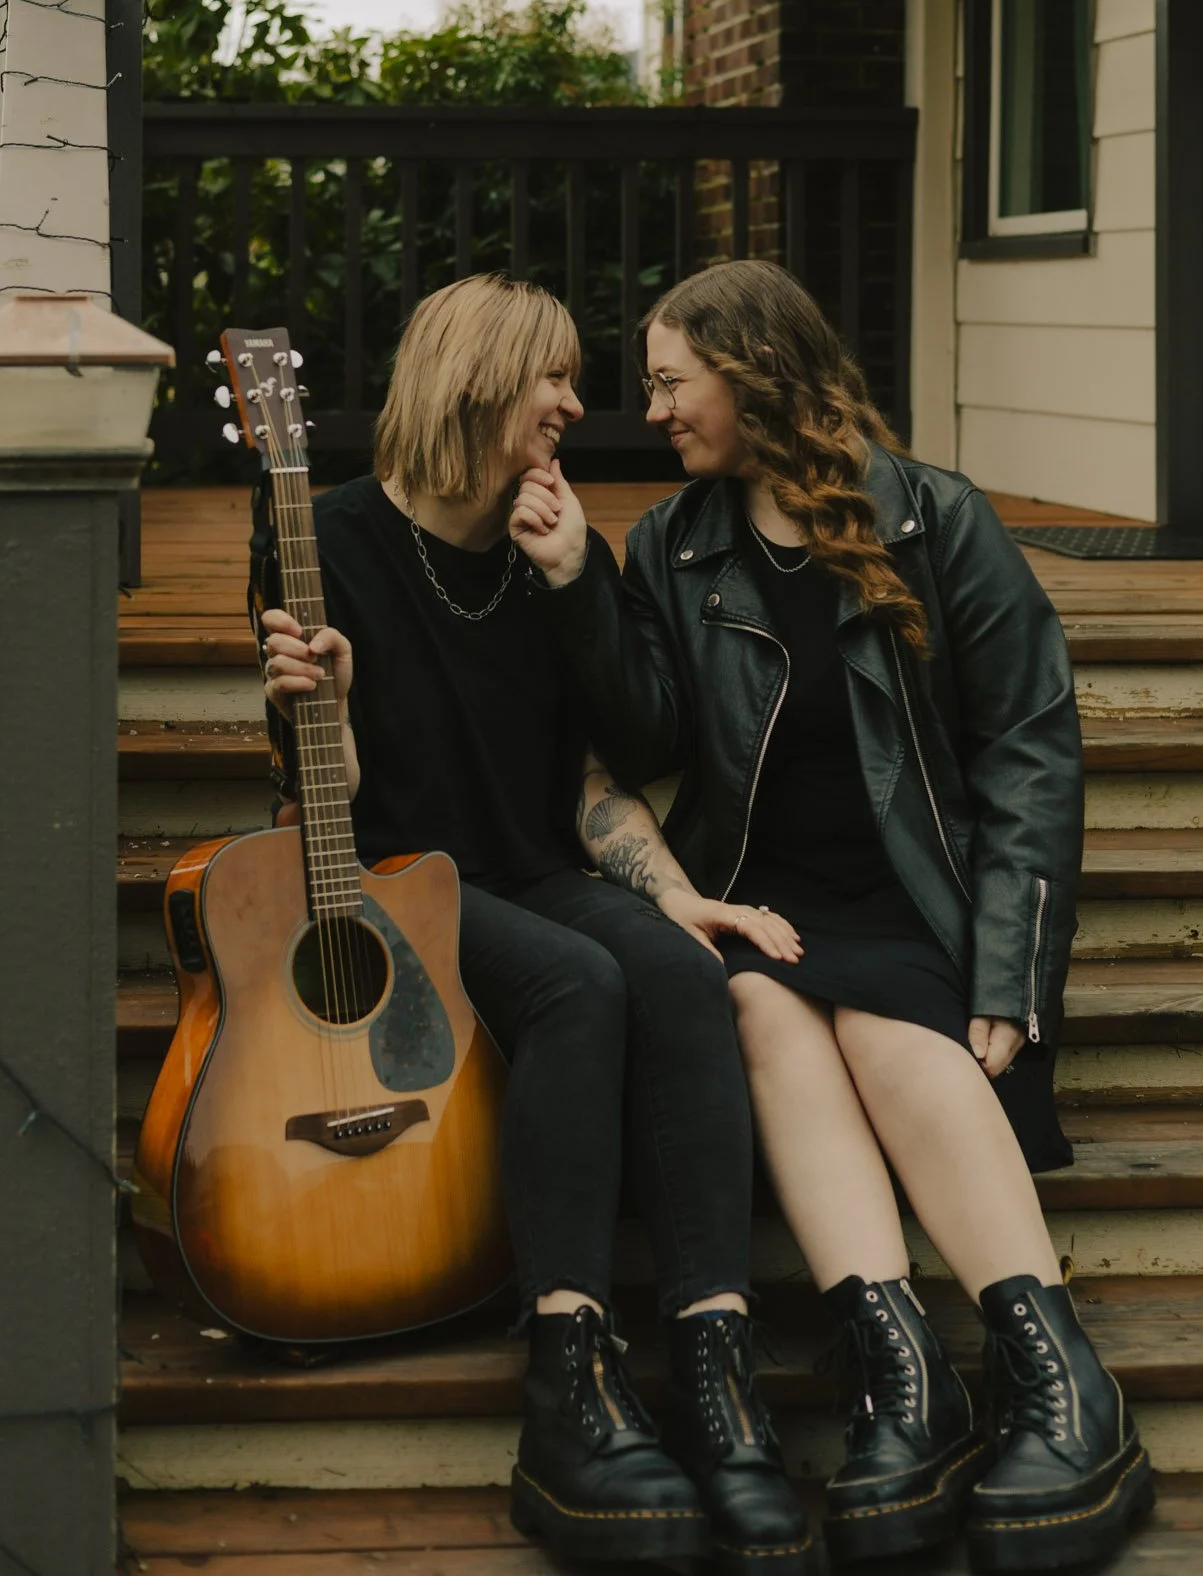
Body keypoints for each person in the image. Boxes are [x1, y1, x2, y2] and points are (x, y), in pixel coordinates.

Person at [513, 258, 1154, 1574]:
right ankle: (906, 1381)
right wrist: (582, 579)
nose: (653, 409)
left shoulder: (935, 521)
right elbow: (643, 734)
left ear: (749, 375)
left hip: (918, 902)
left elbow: (1031, 745)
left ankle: (1059, 1385)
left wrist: (1007, 967)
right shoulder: (678, 549)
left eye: (672, 381)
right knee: (755, 997)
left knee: (883, 1028)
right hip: (770, 910)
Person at [258, 273, 815, 1573]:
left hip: (533, 866)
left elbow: (630, 751)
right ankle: (567, 1374)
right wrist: (325, 703)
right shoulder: (325, 536)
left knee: (678, 974)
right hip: (389, 882)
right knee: (578, 985)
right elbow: (314, 804)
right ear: (478, 379)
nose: (577, 401)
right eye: (553, 377)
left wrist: (573, 586)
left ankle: (718, 1374)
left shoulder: (557, 539)